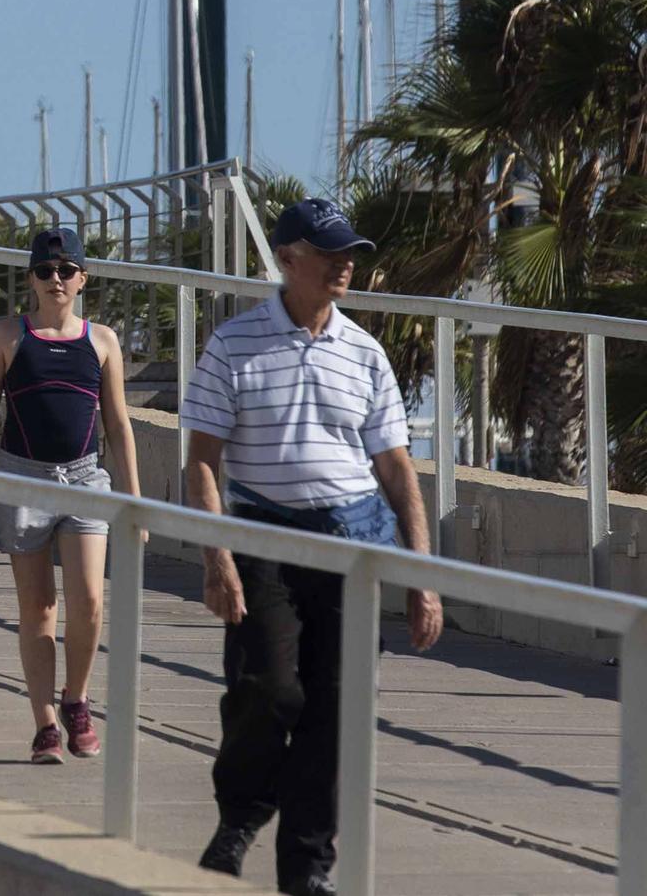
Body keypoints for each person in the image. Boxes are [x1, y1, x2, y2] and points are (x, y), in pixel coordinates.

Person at [182, 198, 443, 896]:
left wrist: (421, 576)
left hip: (351, 541)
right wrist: (217, 557)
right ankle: (240, 816)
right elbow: (201, 460)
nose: (345, 264)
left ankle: (306, 868)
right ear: (289, 259)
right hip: (261, 535)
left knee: (337, 707)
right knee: (268, 687)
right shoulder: (233, 343)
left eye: (350, 252)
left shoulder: (365, 351)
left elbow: (395, 469)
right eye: (330, 253)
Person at [0, 226, 142, 765]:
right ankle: (45, 724)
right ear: (31, 278)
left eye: (65, 270)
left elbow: (119, 425)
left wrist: (135, 502)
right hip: (21, 478)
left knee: (89, 601)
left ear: (83, 278)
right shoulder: (9, 337)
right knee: (39, 607)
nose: (54, 279)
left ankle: (77, 698)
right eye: (43, 270)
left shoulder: (101, 341)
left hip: (85, 479)